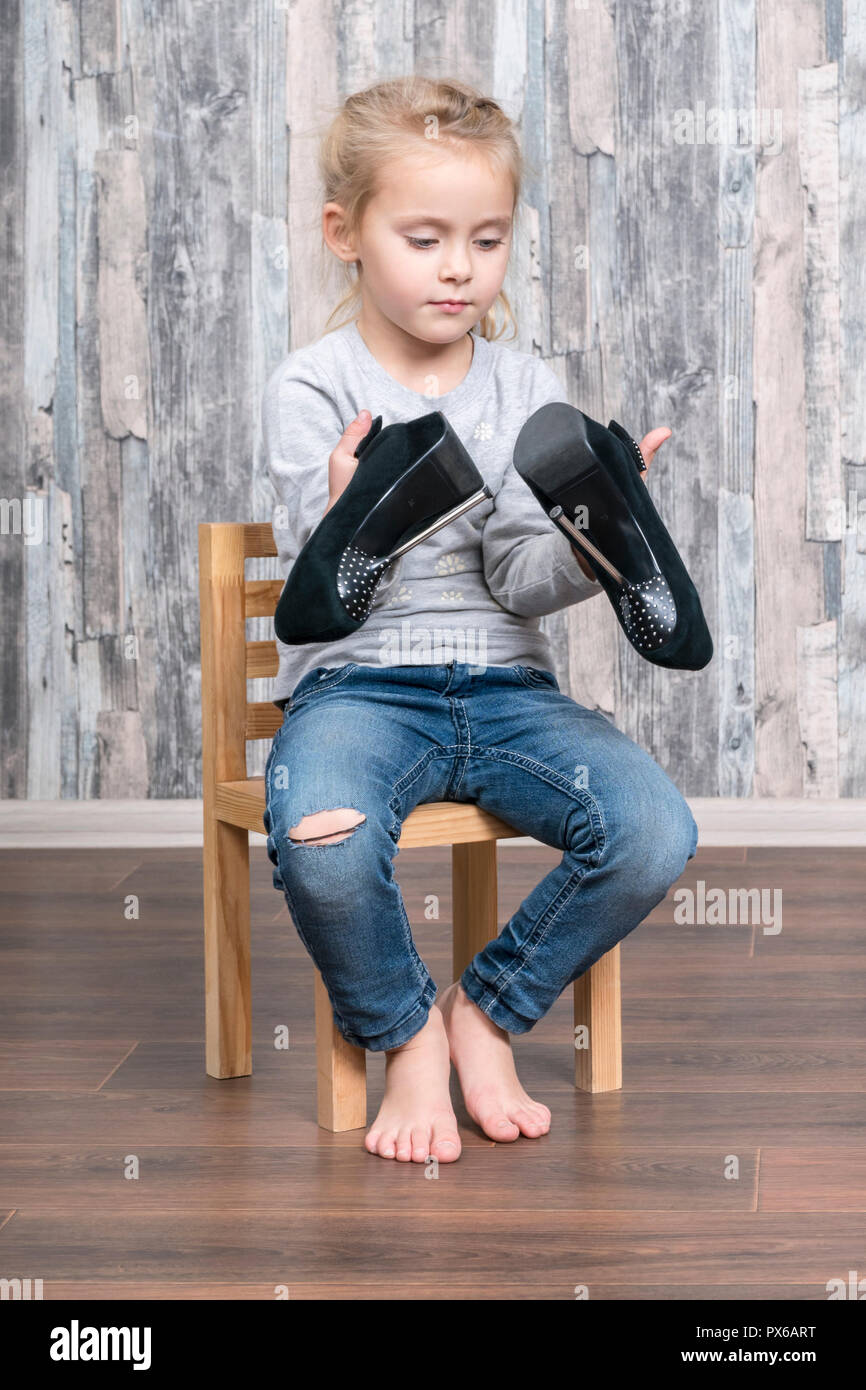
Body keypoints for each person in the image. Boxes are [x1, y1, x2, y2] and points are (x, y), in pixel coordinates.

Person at [261, 74, 697, 1164]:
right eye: (424, 237)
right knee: (322, 843)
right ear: (344, 233)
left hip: (504, 689)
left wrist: (593, 545)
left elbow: (514, 575)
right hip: (356, 686)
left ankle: (484, 1011)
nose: (458, 267)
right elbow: (298, 580)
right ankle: (405, 1035)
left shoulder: (521, 386)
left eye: (485, 239)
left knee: (653, 829)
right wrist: (333, 501)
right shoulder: (313, 383)